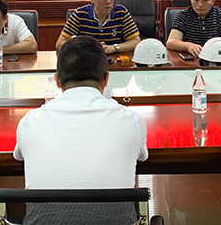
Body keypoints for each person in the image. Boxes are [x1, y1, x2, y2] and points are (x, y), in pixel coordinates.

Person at [14, 35, 148, 188]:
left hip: (45, 206)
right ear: (105, 79)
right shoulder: (132, 120)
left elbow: (19, 157)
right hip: (115, 205)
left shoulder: (30, 122)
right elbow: (142, 157)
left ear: (57, 80)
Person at [56, 0, 140, 54]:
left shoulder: (121, 12)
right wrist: (87, 49)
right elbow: (60, 44)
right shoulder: (79, 15)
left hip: (113, 60)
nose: (108, 1)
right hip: (86, 60)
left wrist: (114, 47)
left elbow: (136, 41)